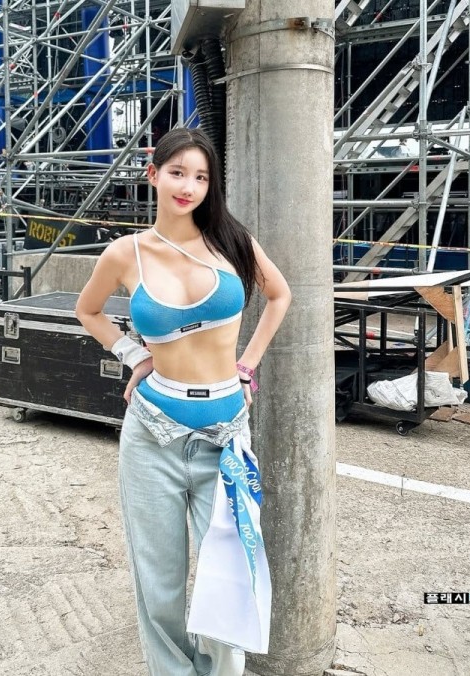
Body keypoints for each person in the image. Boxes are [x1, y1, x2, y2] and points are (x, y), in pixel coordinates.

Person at [76, 127, 291, 676]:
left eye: (201, 177)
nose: (188, 187)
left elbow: (279, 294)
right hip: (153, 430)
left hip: (226, 431)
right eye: (177, 173)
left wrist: (247, 366)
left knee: (228, 576)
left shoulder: (232, 242)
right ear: (153, 174)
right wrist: (133, 355)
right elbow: (88, 310)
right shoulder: (126, 253)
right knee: (160, 582)